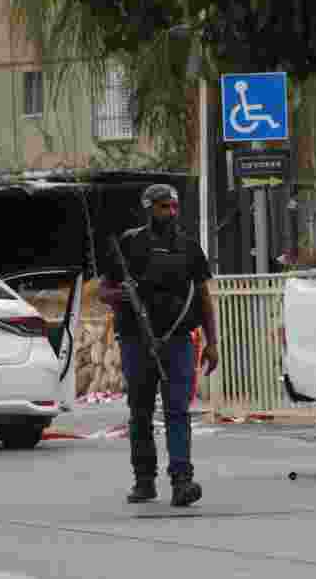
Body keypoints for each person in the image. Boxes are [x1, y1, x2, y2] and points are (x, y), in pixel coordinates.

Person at [98, 184, 219, 506]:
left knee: (178, 410)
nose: (171, 212)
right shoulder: (129, 243)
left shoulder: (189, 248)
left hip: (178, 340)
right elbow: (103, 290)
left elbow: (204, 296)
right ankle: (144, 480)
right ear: (149, 208)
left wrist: (212, 342)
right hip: (136, 340)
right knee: (140, 412)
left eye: (175, 207)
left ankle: (182, 481)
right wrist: (120, 296)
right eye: (164, 207)